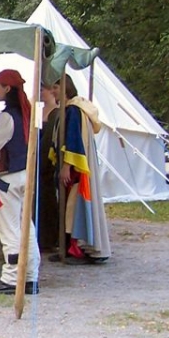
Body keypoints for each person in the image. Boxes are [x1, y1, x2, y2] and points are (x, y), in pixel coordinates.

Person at [0, 69, 40, 295]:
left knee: (11, 229)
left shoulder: (8, 117)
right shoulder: (29, 113)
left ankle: (12, 277)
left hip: (10, 178)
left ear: (7, 88)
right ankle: (31, 276)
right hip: (27, 173)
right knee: (28, 227)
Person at [49, 76, 111, 263]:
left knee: (74, 208)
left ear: (65, 88)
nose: (52, 91)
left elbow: (74, 139)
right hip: (73, 167)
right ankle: (69, 247)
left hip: (75, 169)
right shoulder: (70, 109)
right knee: (69, 207)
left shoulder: (74, 110)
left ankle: (79, 249)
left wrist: (67, 166)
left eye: (55, 87)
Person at [37, 83, 61, 252]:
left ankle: (50, 239)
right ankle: (39, 236)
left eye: (42, 90)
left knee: (48, 200)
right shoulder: (38, 112)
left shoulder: (56, 113)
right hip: (37, 161)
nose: (40, 93)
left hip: (48, 163)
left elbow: (50, 141)